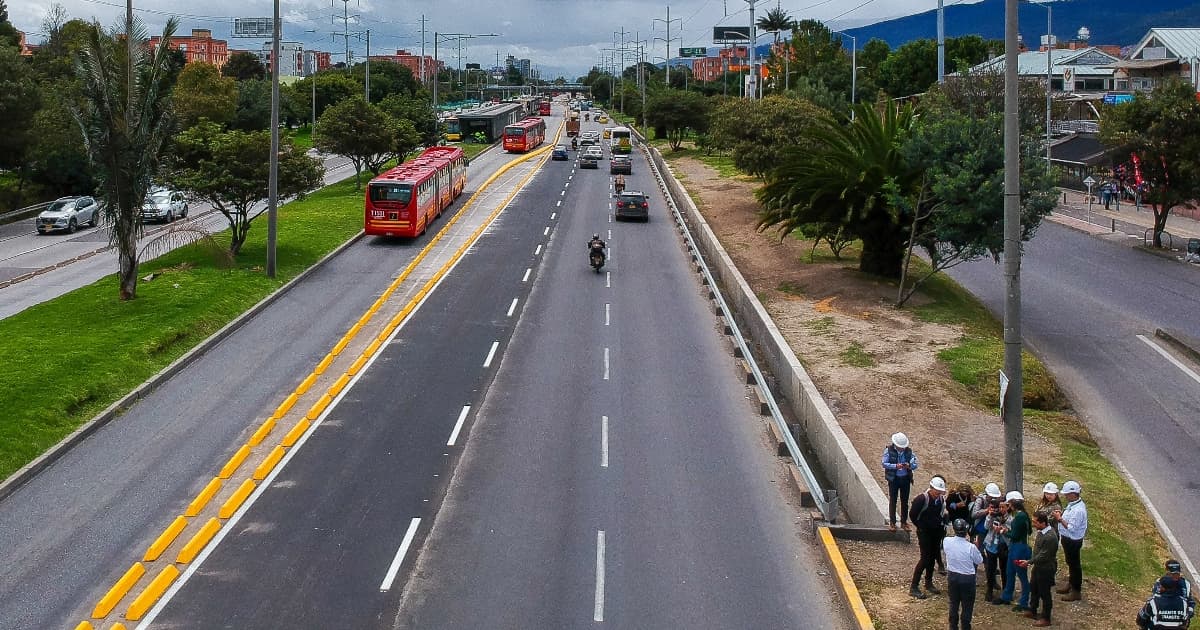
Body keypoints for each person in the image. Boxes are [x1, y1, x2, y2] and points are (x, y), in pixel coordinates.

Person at [1018, 511, 1059, 627]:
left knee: (1044, 593)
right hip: (1038, 567)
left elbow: (1044, 555)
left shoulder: (1050, 537)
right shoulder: (1041, 532)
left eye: (1035, 522)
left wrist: (1029, 562)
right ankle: (1032, 609)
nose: (1033, 524)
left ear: (1043, 523)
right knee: (1034, 588)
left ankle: (1046, 618)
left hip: (1046, 568)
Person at [909, 476, 947, 599]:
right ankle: (914, 586)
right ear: (931, 488)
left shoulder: (941, 500)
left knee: (932, 557)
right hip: (924, 532)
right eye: (937, 491)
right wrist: (920, 526)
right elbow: (913, 515)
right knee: (925, 558)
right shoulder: (922, 499)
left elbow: (941, 514)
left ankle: (928, 582)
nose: (938, 494)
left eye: (940, 492)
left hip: (936, 532)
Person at [993, 491, 1031, 612]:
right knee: (1010, 572)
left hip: (1018, 548)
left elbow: (1014, 535)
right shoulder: (1021, 515)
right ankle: (1006, 596)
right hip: (1016, 547)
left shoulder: (1019, 517)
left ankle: (1024, 601)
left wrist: (1003, 531)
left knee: (1021, 575)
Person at [944, 517, 984, 630]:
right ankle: (965, 627)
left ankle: (953, 626)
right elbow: (979, 560)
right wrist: (977, 547)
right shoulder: (971, 547)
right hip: (967, 578)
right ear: (966, 531)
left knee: (953, 603)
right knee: (967, 606)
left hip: (952, 575)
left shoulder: (947, 541)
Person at [1052, 480, 1087, 602]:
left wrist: (1059, 519)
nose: (1065, 496)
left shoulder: (1078, 510)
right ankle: (1071, 584)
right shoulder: (1073, 505)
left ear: (1073, 494)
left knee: (1074, 565)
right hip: (1068, 539)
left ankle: (1076, 590)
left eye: (1067, 494)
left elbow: (1072, 527)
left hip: (1073, 541)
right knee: (1070, 563)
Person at [882, 432, 918, 532]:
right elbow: (884, 463)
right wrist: (895, 466)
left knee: (904, 501)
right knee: (893, 500)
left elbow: (915, 464)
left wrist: (909, 466)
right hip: (894, 479)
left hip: (905, 479)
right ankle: (892, 523)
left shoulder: (909, 452)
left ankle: (904, 522)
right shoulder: (888, 451)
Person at [981, 494, 1010, 603]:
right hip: (991, 544)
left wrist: (1002, 528)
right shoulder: (992, 515)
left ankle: (1006, 590)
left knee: (1004, 568)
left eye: (1002, 507)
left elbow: (1010, 529)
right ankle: (989, 590)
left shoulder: (1008, 516)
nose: (999, 510)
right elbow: (986, 527)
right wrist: (990, 515)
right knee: (991, 568)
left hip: (1003, 545)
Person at [971, 483, 1003, 548]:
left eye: (995, 497)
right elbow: (974, 514)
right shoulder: (981, 500)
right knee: (979, 547)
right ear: (987, 494)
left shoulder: (999, 500)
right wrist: (987, 510)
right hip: (980, 527)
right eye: (991, 496)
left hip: (992, 529)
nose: (993, 499)